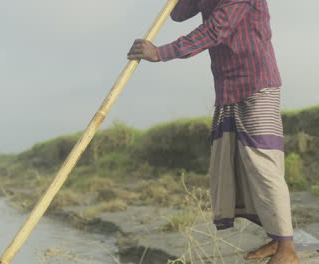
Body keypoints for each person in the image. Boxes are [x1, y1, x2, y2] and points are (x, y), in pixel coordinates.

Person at [127, 0, 299, 263]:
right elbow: (178, 13)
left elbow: (213, 31)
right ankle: (277, 239)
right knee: (244, 167)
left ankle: (288, 251)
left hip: (257, 84)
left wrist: (159, 52)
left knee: (264, 165)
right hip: (228, 88)